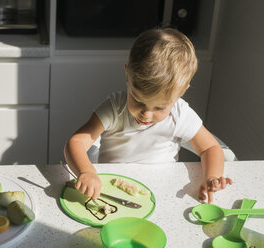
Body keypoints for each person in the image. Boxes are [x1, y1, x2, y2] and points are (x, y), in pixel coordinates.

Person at [64, 28, 232, 204]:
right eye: (137, 100)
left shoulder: (180, 114)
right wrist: (86, 172)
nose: (146, 113)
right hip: (112, 193)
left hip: (162, 194)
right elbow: (75, 143)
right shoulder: (115, 108)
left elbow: (210, 148)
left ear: (182, 92)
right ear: (127, 76)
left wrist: (212, 176)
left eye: (159, 107)